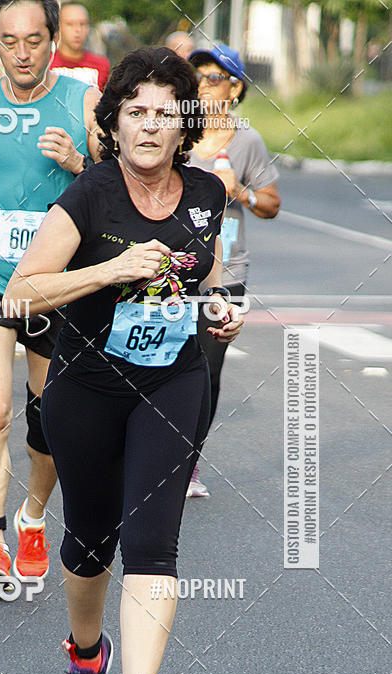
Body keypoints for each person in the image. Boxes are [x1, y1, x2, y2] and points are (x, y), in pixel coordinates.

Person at [4, 48, 244, 674]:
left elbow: (207, 275)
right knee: (88, 541)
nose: (148, 125)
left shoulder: (206, 192)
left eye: (164, 113)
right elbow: (20, 293)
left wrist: (218, 312)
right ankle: (86, 657)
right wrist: (111, 268)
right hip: (86, 385)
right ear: (114, 121)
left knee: (152, 542)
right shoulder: (91, 196)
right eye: (135, 111)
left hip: (172, 381)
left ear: (183, 126)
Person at [0, 0, 101, 590]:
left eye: (35, 40)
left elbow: (115, 185)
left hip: (53, 280)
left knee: (48, 417)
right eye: (10, 41)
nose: (23, 52)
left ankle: (34, 517)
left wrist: (79, 162)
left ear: (53, 39)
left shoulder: (82, 103)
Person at [185, 44, 280, 497]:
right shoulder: (175, 133)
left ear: (236, 87)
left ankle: (188, 465)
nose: (203, 84)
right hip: (168, 268)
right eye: (197, 75)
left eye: (214, 77)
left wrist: (241, 192)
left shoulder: (248, 141)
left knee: (207, 371)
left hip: (226, 272)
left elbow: (272, 206)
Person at [50, 1, 110, 90]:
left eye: (82, 24)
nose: (78, 30)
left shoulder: (102, 65)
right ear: (59, 27)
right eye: (70, 24)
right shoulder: (47, 63)